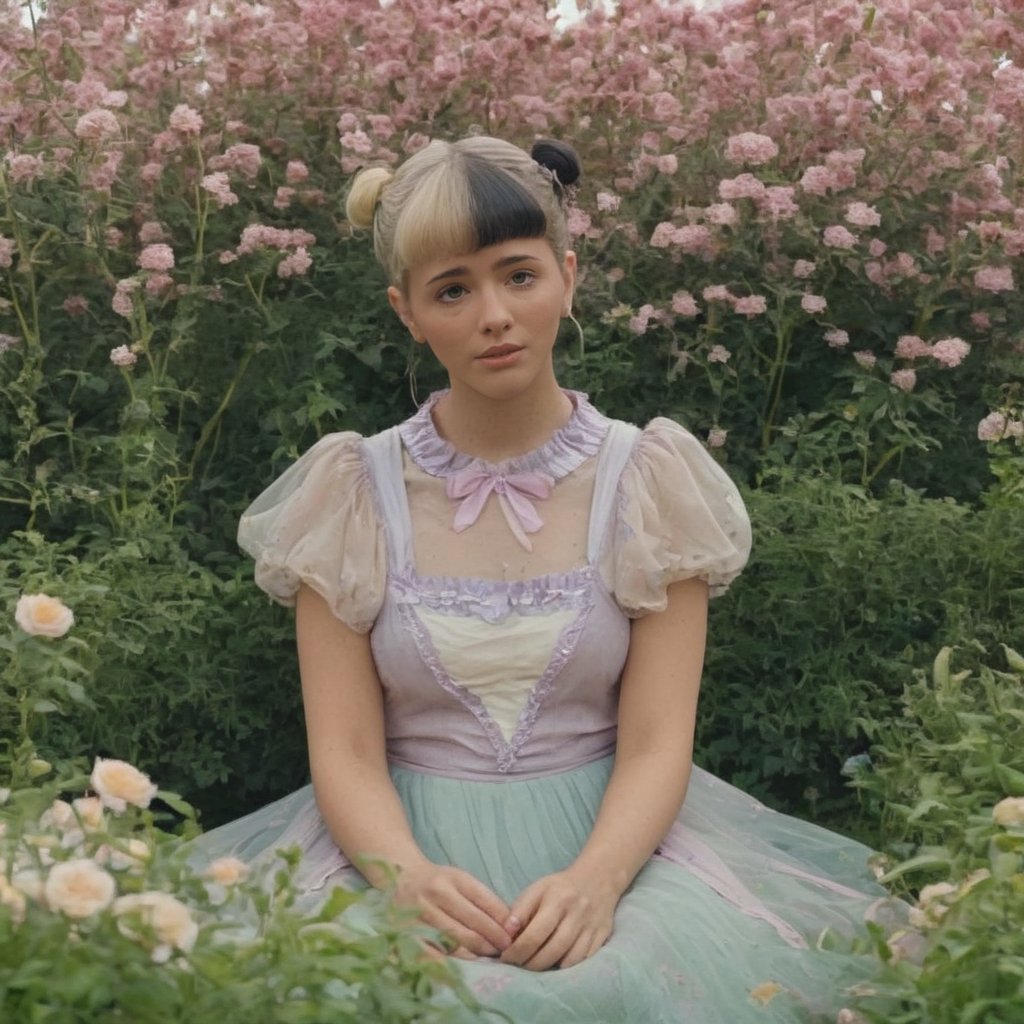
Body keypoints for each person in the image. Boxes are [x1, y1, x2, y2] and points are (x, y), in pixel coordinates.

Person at [207, 135, 888, 1022]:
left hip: (615, 847)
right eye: (453, 289)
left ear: (568, 275)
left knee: (619, 988)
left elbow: (654, 741)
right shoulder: (352, 491)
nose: (493, 314)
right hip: (393, 848)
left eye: (518, 275)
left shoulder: (646, 480)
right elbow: (342, 748)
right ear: (406, 311)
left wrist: (596, 886)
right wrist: (402, 880)